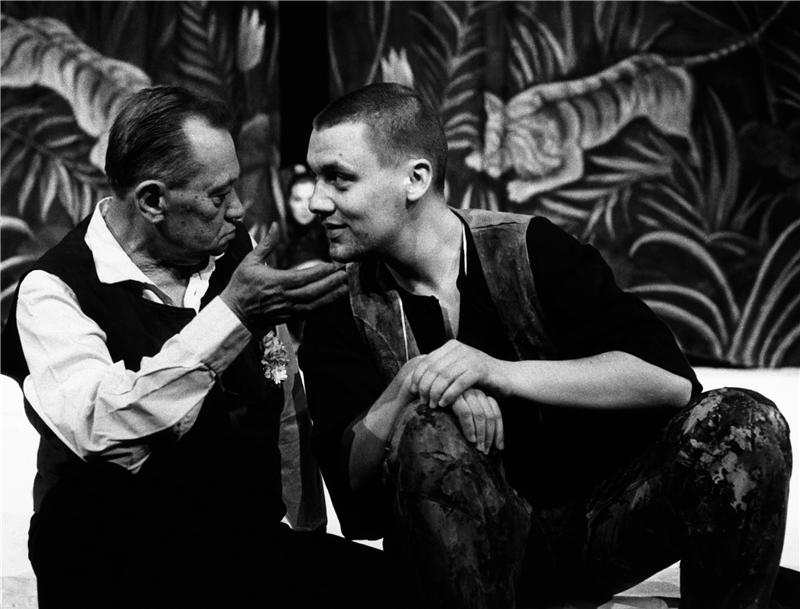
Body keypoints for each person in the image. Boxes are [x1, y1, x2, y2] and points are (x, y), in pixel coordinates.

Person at [299, 83, 792, 609]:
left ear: (415, 179)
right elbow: (353, 496)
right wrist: (413, 383)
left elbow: (669, 383)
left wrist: (496, 371)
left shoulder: (528, 247)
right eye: (315, 178)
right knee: (428, 426)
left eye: (339, 178)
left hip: (596, 526)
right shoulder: (336, 306)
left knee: (743, 420)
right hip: (461, 560)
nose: (316, 202)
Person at [0, 85, 402, 609]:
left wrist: (306, 530)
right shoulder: (54, 289)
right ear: (152, 201)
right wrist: (232, 315)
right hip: (117, 555)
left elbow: (282, 396)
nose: (238, 210)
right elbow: (103, 434)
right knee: (91, 505)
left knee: (397, 587)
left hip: (236, 545)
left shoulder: (232, 254)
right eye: (217, 196)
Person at [278, 165, 331, 272]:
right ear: (288, 202)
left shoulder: (330, 235)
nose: (305, 207)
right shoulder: (278, 236)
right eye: (298, 199)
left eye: (310, 199)